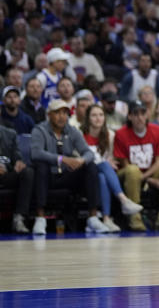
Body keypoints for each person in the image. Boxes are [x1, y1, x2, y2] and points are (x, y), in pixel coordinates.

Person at [30, 99, 106, 234]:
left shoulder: (72, 131)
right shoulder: (39, 130)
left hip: (67, 175)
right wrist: (61, 159)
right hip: (49, 176)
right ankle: (40, 218)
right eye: (57, 113)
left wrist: (81, 160)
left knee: (91, 166)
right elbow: (36, 153)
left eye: (65, 113)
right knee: (40, 166)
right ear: (49, 115)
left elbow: (88, 152)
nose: (62, 116)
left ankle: (93, 217)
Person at [114, 100, 159, 231]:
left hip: (150, 171)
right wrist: (148, 180)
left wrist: (145, 177)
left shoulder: (157, 130)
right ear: (129, 116)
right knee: (132, 170)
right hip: (128, 174)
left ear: (147, 115)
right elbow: (125, 165)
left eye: (142, 113)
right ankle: (135, 216)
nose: (139, 117)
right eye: (135, 114)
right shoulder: (121, 134)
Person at [81, 103, 143, 232]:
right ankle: (123, 200)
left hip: (104, 173)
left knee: (102, 176)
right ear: (87, 118)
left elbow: (114, 160)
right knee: (103, 164)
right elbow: (78, 158)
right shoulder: (80, 134)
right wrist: (102, 161)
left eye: (101, 115)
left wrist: (107, 162)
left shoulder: (110, 135)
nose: (98, 118)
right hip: (85, 173)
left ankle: (106, 218)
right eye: (94, 115)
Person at [0, 123, 33, 233]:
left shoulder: (10, 133)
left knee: (27, 172)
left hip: (6, 174)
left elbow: (17, 157)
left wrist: (19, 162)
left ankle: (19, 217)